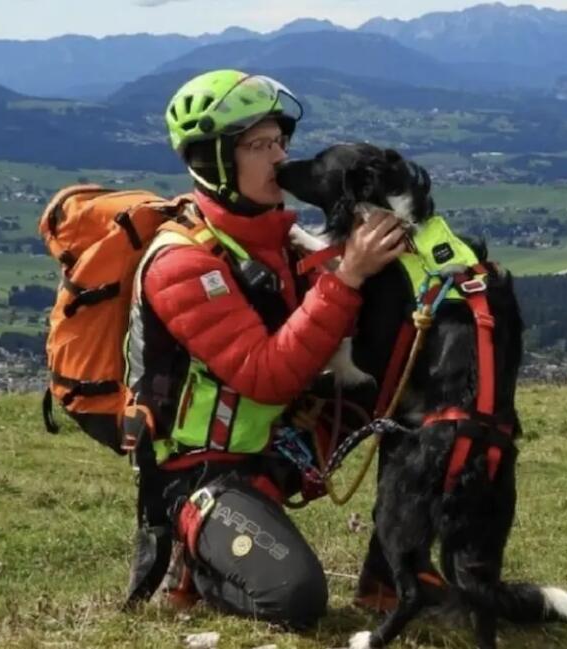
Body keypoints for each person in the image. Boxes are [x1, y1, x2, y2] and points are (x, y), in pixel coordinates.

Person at [121, 69, 406, 629]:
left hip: (274, 446)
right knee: (294, 600)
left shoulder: (276, 237)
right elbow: (265, 374)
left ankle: (393, 571)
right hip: (204, 472)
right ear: (213, 160)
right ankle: (194, 558)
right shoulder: (183, 264)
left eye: (280, 141)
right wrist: (347, 277)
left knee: (416, 407)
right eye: (259, 145)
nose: (279, 157)